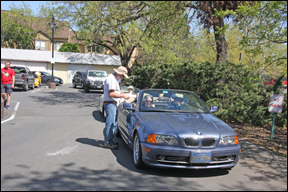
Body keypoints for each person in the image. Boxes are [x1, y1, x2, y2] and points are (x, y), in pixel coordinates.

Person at [103, 66, 130, 149]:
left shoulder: (114, 78)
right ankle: (108, 142)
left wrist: (121, 94)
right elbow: (111, 94)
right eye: (122, 76)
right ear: (119, 73)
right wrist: (122, 95)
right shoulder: (111, 79)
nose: (122, 78)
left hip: (112, 103)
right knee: (110, 124)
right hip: (110, 103)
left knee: (113, 124)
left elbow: (114, 92)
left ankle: (109, 140)